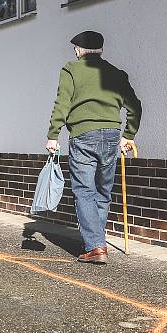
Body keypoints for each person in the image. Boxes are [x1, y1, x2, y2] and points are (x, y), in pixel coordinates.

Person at [46, 31, 141, 264]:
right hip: (111, 135)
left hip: (83, 135)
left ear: (78, 50)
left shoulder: (70, 69)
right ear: (101, 51)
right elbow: (135, 107)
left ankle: (96, 246)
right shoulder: (117, 74)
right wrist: (127, 135)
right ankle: (96, 241)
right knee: (102, 190)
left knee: (84, 190)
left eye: (75, 50)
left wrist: (53, 134)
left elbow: (62, 103)